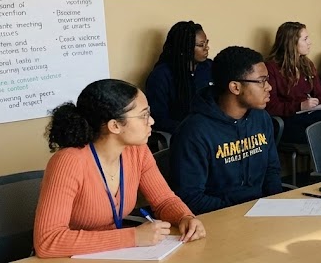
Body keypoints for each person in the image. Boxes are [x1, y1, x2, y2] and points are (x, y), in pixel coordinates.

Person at [34, 79, 205, 258]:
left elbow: (164, 201)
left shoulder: (137, 151)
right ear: (114, 125)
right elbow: (48, 241)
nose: (152, 121)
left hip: (113, 254)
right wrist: (133, 236)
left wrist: (185, 217)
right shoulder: (68, 162)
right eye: (143, 115)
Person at [171, 46, 282, 215]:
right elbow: (191, 197)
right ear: (235, 87)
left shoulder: (261, 118)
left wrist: (275, 205)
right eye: (261, 81)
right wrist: (240, 210)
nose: (269, 87)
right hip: (218, 218)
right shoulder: (194, 132)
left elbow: (271, 170)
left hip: (260, 214)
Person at [265, 22, 321, 144]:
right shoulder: (271, 68)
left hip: (311, 114)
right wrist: (299, 106)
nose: (309, 42)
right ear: (291, 43)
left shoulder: (306, 64)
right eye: (305, 39)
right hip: (288, 120)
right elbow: (270, 106)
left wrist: (316, 103)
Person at [144, 21, 211, 135]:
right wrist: (192, 129)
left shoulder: (210, 67)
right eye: (200, 45)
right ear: (184, 48)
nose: (207, 48)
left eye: (206, 43)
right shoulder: (161, 76)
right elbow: (159, 119)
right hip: (181, 133)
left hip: (209, 130)